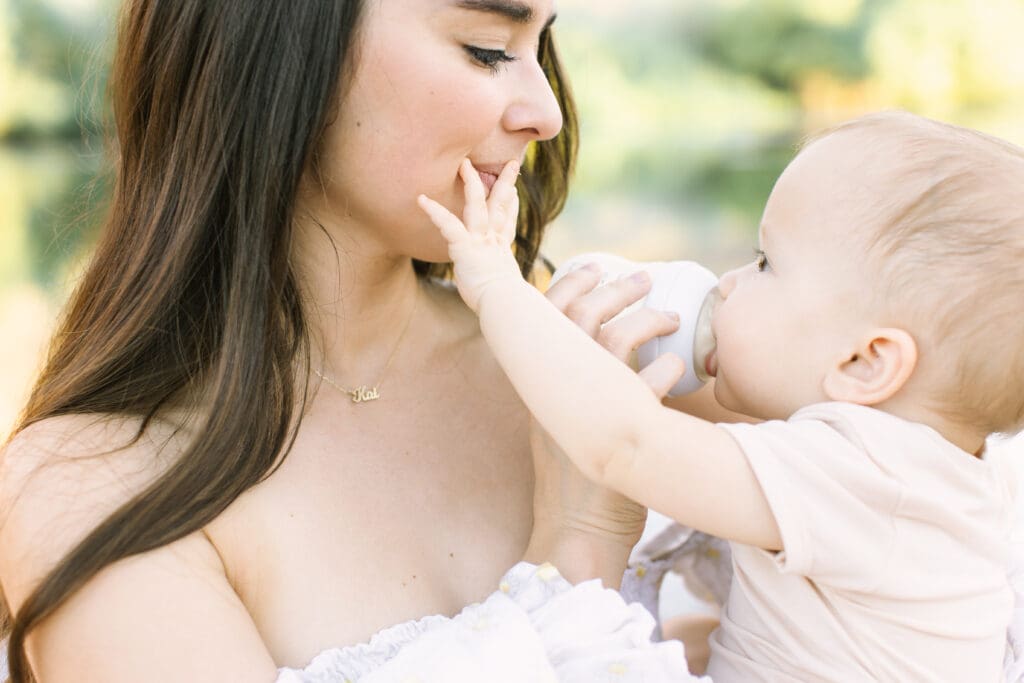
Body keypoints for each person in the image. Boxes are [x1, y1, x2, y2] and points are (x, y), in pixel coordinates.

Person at [0, 1, 708, 680]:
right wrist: (577, 552)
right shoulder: (96, 483)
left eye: (541, 49)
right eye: (487, 49)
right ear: (281, 42)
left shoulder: (593, 350)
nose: (547, 113)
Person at [418, 110, 1024, 680]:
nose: (728, 283)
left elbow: (626, 444)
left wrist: (498, 284)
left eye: (765, 264)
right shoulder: (937, 479)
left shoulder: (862, 475)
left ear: (865, 363)